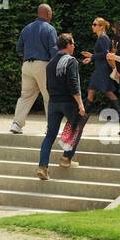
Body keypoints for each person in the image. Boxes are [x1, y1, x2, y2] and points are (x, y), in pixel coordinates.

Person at [36, 33, 87, 180]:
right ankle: (66, 159)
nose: (74, 46)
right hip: (69, 102)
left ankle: (42, 167)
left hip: (53, 103)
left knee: (50, 135)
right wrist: (80, 104)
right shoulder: (71, 61)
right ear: (68, 45)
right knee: (76, 128)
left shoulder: (51, 63)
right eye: (73, 43)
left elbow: (47, 85)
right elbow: (73, 84)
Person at [11, 3, 59, 134]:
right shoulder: (50, 29)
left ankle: (16, 124)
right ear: (48, 14)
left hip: (26, 65)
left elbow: (19, 48)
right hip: (43, 64)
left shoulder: (27, 28)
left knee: (25, 96)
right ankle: (51, 127)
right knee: (49, 95)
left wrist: (25, 57)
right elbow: (54, 50)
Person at [81, 17, 117, 108]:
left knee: (98, 90)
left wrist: (92, 56)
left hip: (102, 69)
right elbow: (101, 54)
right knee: (103, 91)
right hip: (101, 68)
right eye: (93, 24)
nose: (92, 26)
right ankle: (83, 115)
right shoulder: (101, 37)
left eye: (95, 24)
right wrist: (91, 58)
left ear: (101, 27)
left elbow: (106, 53)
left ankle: (83, 115)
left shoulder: (103, 38)